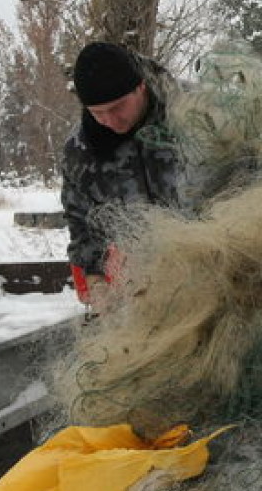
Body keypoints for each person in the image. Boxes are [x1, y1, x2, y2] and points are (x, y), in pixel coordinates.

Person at [60, 41, 178, 304]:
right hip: (139, 292)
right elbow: (81, 221)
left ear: (141, 87)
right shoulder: (81, 151)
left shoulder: (194, 118)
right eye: (97, 113)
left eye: (117, 108)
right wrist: (95, 278)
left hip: (214, 275)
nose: (110, 122)